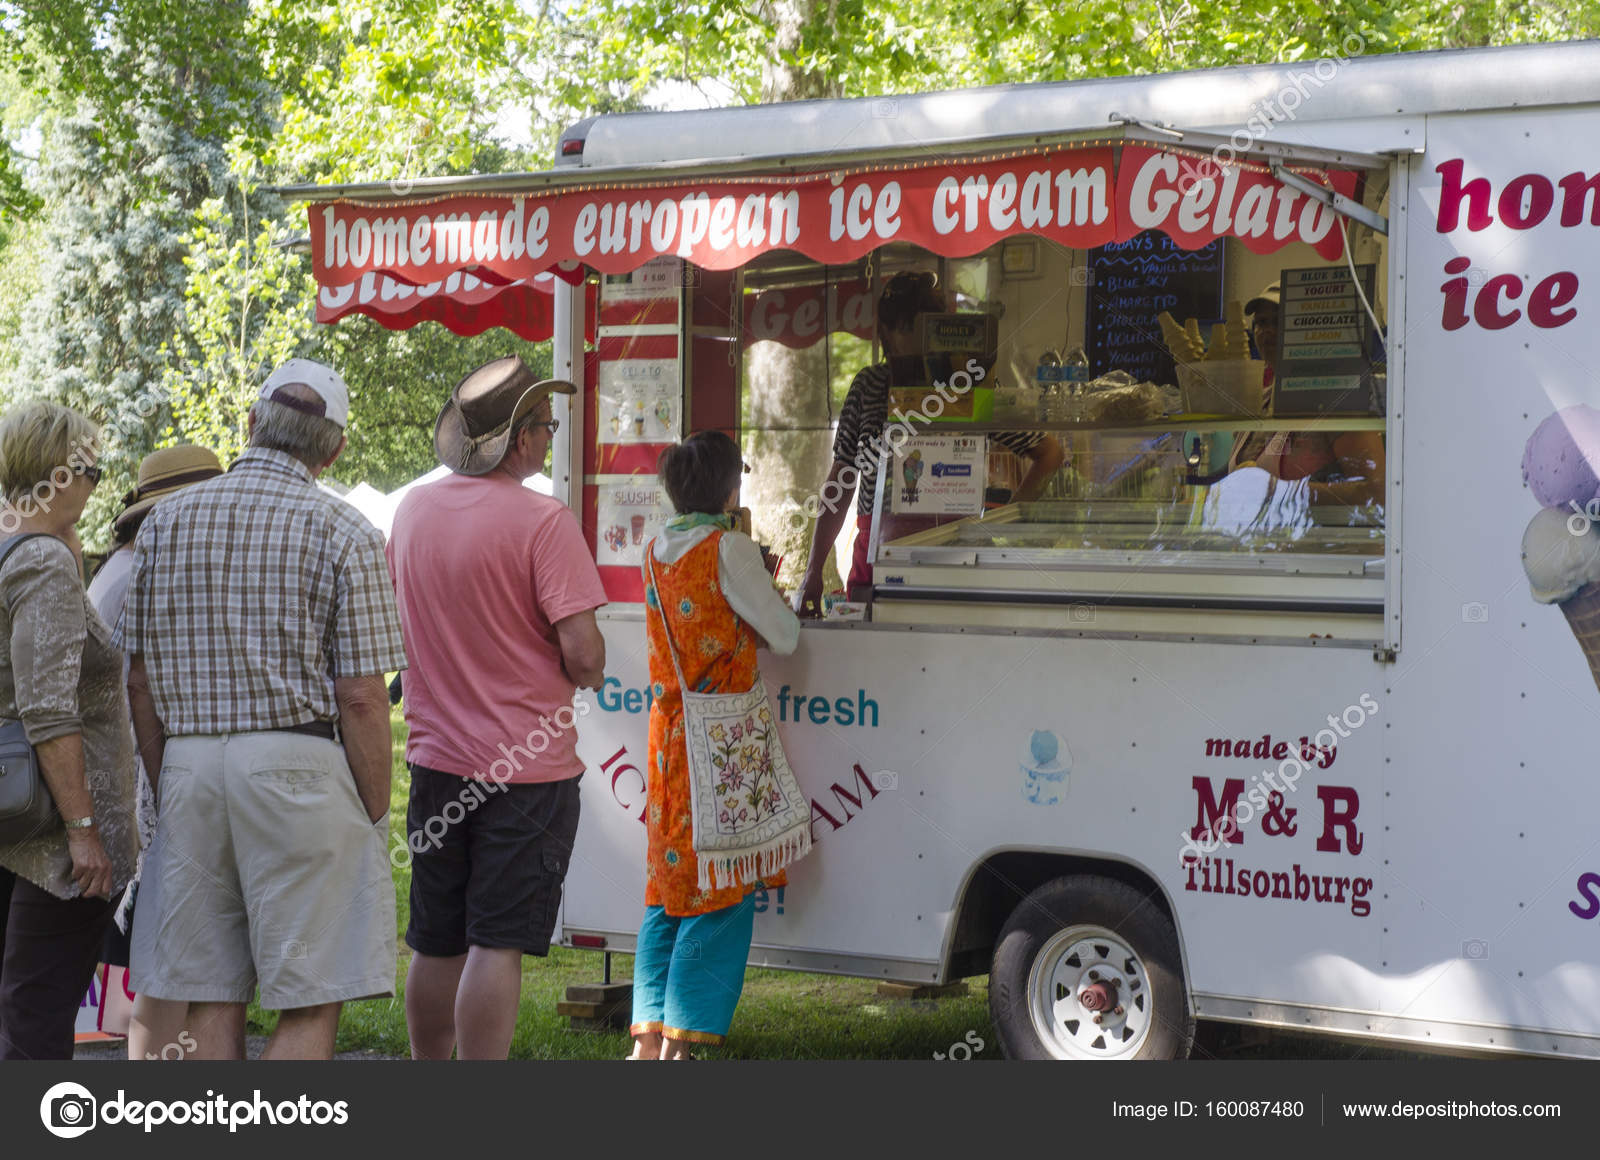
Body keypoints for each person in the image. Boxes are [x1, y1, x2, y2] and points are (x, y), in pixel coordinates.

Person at [117, 359, 406, 1061]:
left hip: (190, 765)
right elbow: (362, 695)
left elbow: (139, 682)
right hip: (297, 766)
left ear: (250, 423)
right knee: (310, 994)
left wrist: (167, 774)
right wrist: (372, 810)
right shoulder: (345, 530)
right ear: (335, 449)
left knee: (211, 992)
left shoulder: (165, 521)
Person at [387, 355, 607, 1061]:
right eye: (545, 425)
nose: (549, 437)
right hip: (527, 771)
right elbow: (585, 657)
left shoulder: (412, 511)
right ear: (518, 438)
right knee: (496, 941)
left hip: (434, 761)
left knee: (436, 938)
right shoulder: (545, 521)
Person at [631, 430, 800, 1059]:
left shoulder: (653, 549)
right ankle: (680, 1044)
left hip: (669, 736)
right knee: (720, 887)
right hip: (725, 737)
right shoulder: (730, 548)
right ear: (730, 489)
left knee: (667, 884)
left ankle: (648, 1039)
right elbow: (785, 636)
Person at [795, 270, 1065, 615]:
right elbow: (841, 481)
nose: (918, 338)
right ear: (886, 332)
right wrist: (813, 570)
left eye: (927, 327)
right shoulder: (869, 387)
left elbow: (1049, 453)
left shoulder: (969, 388)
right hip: (876, 556)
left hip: (956, 559)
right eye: (908, 327)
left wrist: (1005, 529)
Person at [0, 401, 138, 1059]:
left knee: (19, 1007)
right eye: (93, 471)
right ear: (62, 474)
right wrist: (85, 832)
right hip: (54, 833)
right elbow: (50, 707)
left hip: (14, 809)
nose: (96, 484)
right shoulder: (41, 563)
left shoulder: (16, 549)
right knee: (36, 1013)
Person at [85, 444, 223, 1060]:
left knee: (171, 955)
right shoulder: (138, 574)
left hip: (137, 775)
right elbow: (131, 692)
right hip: (139, 779)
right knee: (174, 956)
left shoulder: (128, 567)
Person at [1227, 282, 1385, 508]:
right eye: (1261, 322)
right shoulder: (1260, 400)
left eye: (1279, 322)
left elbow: (1377, 493)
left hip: (1318, 530)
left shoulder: (1335, 397)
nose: (1268, 330)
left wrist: (1280, 492)